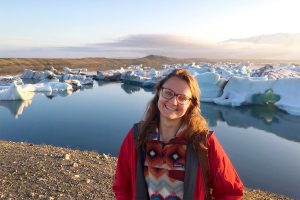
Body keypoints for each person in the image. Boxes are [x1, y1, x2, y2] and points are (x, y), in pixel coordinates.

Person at [113, 69, 244, 200]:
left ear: (191, 104)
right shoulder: (137, 135)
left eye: (182, 98)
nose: (173, 102)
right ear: (159, 92)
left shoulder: (203, 142)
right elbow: (122, 185)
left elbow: (231, 192)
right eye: (168, 93)